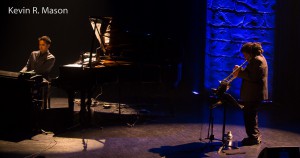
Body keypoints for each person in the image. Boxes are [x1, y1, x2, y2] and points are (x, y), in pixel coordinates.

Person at [233, 42, 268, 146]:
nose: (245, 57)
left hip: (253, 94)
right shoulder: (258, 59)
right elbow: (251, 73)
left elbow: (253, 77)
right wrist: (241, 70)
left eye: (245, 55)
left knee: (250, 116)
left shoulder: (257, 60)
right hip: (253, 94)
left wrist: (239, 73)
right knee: (251, 116)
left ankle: (253, 138)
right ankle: (254, 136)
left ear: (249, 53)